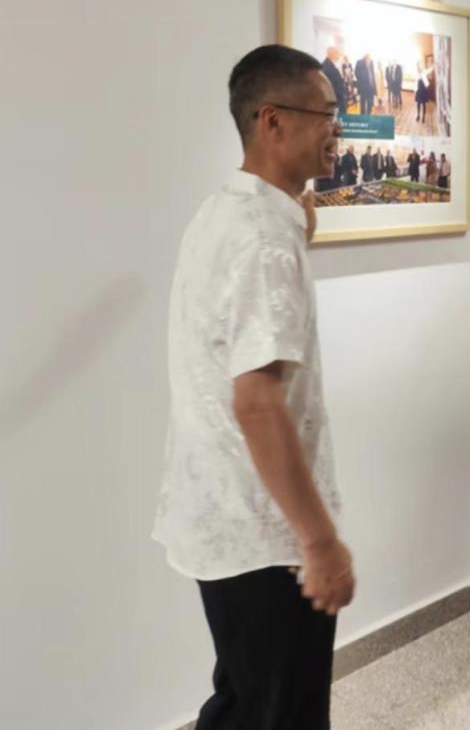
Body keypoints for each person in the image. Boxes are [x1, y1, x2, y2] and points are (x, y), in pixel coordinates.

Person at [153, 44, 356, 729]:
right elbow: (258, 402)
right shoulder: (265, 238)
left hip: (221, 517)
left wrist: (299, 212)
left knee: (243, 700)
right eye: (325, 114)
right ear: (272, 121)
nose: (337, 130)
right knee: (283, 714)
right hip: (266, 534)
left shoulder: (228, 210)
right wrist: (319, 542)